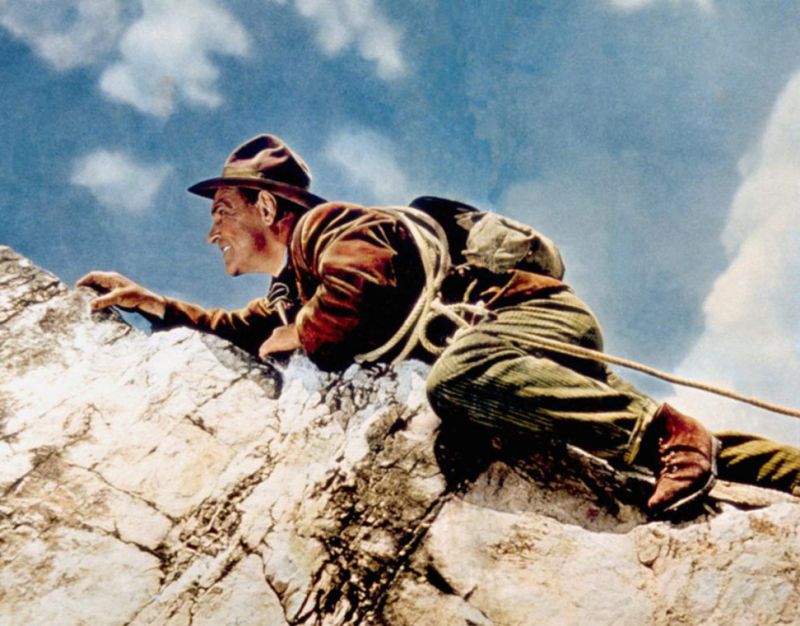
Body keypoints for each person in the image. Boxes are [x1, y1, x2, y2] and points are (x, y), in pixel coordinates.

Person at [78, 134, 800, 515]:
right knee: (608, 431)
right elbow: (246, 327)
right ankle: (785, 471)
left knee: (455, 384)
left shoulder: (332, 228)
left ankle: (672, 434)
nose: (212, 232)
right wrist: (157, 304)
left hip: (525, 320)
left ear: (267, 207)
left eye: (221, 212)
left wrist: (305, 334)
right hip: (512, 351)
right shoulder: (294, 284)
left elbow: (361, 285)